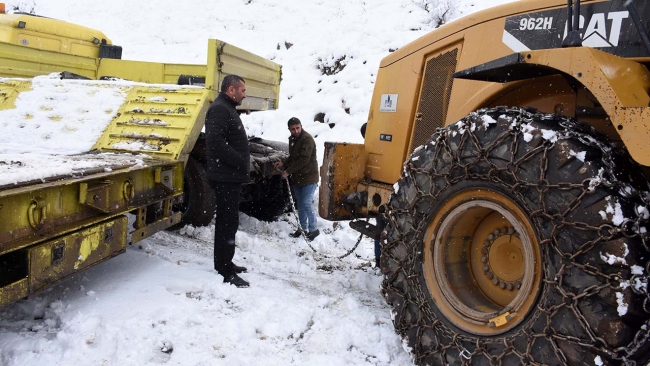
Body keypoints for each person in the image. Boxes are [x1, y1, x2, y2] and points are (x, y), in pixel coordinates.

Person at [204, 74, 250, 288]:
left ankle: (226, 262)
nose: (244, 94)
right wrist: (240, 160)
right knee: (226, 223)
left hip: (229, 177)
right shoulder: (220, 109)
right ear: (231, 90)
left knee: (229, 222)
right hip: (225, 178)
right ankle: (224, 269)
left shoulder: (227, 107)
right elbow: (216, 143)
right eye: (242, 90)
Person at [274, 117, 320, 241]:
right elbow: (293, 157)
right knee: (300, 205)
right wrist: (283, 164)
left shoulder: (307, 139)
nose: (296, 131)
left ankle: (314, 229)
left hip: (309, 177)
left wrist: (288, 171)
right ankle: (302, 228)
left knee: (306, 203)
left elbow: (304, 159)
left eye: (297, 128)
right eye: (293, 129)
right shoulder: (292, 139)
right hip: (298, 178)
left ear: (301, 126)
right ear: (289, 129)